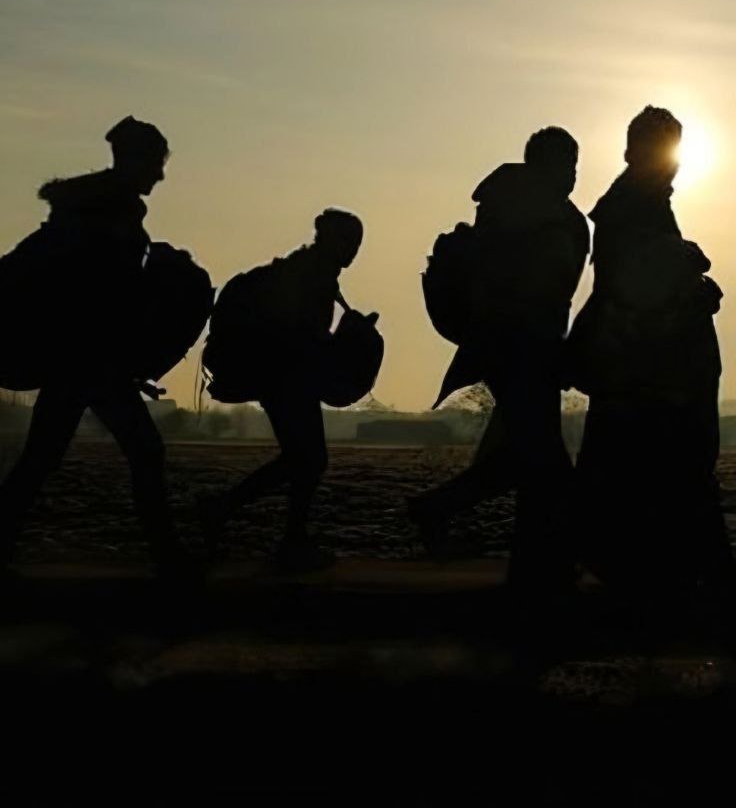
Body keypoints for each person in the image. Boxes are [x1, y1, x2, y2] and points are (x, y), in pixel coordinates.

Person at [0, 117, 191, 582]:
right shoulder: (106, 218)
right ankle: (168, 560)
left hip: (79, 360)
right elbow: (101, 297)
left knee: (42, 458)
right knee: (143, 451)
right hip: (89, 360)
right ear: (134, 160)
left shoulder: (93, 212)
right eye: (156, 163)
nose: (160, 175)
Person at [408, 128, 590, 597]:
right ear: (548, 165)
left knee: (525, 457)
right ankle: (541, 566)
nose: (573, 176)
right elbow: (541, 289)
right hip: (525, 350)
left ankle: (530, 564)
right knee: (545, 463)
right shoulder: (542, 215)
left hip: (507, 348)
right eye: (568, 165)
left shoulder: (506, 205)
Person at [567, 106, 730, 597]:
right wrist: (690, 280)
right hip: (646, 364)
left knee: (657, 466)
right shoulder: (632, 206)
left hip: (648, 362)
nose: (672, 165)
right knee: (672, 464)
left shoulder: (638, 203)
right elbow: (639, 283)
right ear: (634, 153)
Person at [200, 209, 365, 571]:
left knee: (303, 459)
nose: (353, 251)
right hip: (286, 379)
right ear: (331, 241)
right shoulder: (311, 277)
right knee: (308, 460)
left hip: (283, 377)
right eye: (349, 242)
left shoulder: (308, 272)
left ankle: (234, 513)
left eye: (356, 243)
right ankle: (279, 535)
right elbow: (299, 334)